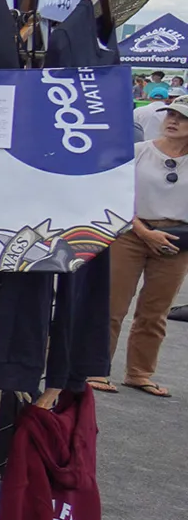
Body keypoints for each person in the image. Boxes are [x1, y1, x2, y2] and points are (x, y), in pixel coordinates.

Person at [95, 96, 188, 398]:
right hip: (131, 232)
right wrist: (144, 232)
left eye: (182, 117)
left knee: (155, 312)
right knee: (112, 305)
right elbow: (113, 196)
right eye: (170, 114)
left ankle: (139, 373)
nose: (172, 120)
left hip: (176, 240)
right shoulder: (137, 152)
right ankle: (95, 368)